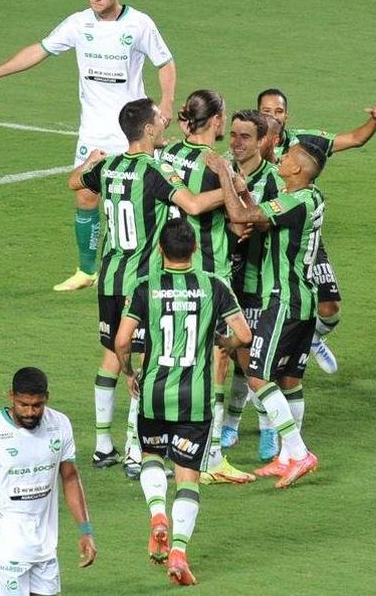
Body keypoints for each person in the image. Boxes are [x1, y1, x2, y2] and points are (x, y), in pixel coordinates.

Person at [0, 0, 177, 292]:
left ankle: (154, 265)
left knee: (139, 197)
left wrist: (165, 105)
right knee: (85, 195)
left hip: (132, 128)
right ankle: (86, 270)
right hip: (93, 128)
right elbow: (40, 49)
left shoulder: (139, 24)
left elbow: (165, 63)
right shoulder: (78, 24)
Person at [69, 98, 223, 479]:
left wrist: (90, 162)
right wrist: (234, 189)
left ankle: (103, 445)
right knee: (147, 364)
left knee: (110, 354)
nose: (165, 121)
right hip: (140, 284)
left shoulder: (109, 166)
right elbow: (194, 205)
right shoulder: (153, 171)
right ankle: (139, 452)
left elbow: (74, 182)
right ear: (150, 130)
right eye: (159, 118)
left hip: (109, 277)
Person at [113, 217, 253, 586]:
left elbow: (123, 340)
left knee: (152, 457)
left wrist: (129, 371)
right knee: (188, 475)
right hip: (196, 399)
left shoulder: (145, 286)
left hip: (155, 394)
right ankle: (178, 551)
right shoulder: (214, 286)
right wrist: (228, 344)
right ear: (194, 249)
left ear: (160, 251)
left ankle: (158, 514)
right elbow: (244, 334)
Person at [206, 138, 331, 488]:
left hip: (284, 300)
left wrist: (225, 175)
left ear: (297, 169)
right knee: (289, 379)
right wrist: (246, 193)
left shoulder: (296, 200)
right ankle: (287, 457)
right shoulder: (313, 197)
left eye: (288, 156)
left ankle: (298, 451)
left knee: (259, 375)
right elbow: (263, 217)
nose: (281, 156)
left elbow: (242, 217)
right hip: (305, 299)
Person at [256, 88, 376, 375]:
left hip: (302, 238)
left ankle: (313, 340)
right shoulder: (248, 145)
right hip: (264, 238)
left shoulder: (303, 144)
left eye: (278, 111)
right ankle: (258, 373)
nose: (273, 116)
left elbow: (355, 139)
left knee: (330, 307)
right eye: (266, 111)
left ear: (287, 115)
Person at [158, 90, 255, 484]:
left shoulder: (169, 154)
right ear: (216, 120)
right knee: (216, 357)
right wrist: (237, 183)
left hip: (169, 267)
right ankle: (211, 455)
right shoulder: (216, 164)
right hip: (208, 273)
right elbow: (233, 213)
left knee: (170, 356)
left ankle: (151, 446)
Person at [0, 367, 96, 596]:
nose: (30, 412)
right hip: (4, 549)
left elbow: (71, 477)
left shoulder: (60, 425)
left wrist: (86, 530)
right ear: (10, 396)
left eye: (37, 405)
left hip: (44, 548)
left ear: (47, 398)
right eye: (23, 404)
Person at [220, 109, 286, 461]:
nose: (237, 143)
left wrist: (242, 198)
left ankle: (266, 426)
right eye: (233, 135)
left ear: (262, 140)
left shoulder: (274, 179)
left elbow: (261, 224)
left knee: (256, 360)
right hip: (226, 280)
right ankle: (230, 420)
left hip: (261, 282)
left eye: (245, 137)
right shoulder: (221, 172)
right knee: (230, 353)